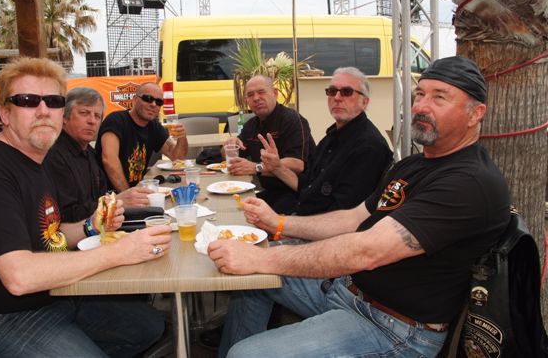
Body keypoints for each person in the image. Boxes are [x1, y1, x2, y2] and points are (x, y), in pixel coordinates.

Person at [208, 56, 511, 358]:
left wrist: (263, 258)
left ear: (475, 114)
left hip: (392, 328)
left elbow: (367, 250)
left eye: (439, 97)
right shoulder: (412, 165)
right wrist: (279, 224)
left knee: (245, 354)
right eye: (419, 94)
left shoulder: (469, 182)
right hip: (346, 290)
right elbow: (353, 218)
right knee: (253, 281)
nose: (421, 106)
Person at [0, 57, 171, 357]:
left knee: (149, 327)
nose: (43, 110)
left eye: (53, 101)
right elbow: (19, 276)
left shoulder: (37, 162)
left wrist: (91, 226)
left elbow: (51, 234)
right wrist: (118, 252)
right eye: (27, 101)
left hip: (54, 297)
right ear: (5, 113)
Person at [258, 67, 393, 215]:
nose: (337, 97)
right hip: (301, 211)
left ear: (364, 102)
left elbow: (343, 215)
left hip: (323, 225)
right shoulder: (331, 137)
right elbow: (307, 186)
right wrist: (277, 167)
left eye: (347, 92)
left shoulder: (369, 147)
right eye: (332, 91)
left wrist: (280, 223)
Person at [44, 87, 155, 222]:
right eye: (84, 113)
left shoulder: (89, 153)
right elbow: (66, 215)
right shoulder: (53, 155)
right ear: (64, 117)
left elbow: (99, 197)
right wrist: (114, 201)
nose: (92, 121)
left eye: (97, 116)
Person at [225, 75, 315, 213]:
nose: (256, 98)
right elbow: (233, 158)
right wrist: (229, 147)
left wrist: (256, 167)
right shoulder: (251, 125)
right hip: (272, 191)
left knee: (252, 216)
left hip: (300, 192)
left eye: (261, 92)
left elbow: (297, 164)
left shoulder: (292, 120)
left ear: (275, 93)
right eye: (250, 95)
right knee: (233, 208)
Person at [95, 82, 188, 192]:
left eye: (159, 102)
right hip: (108, 195)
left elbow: (177, 158)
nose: (153, 104)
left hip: (135, 192)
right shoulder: (116, 121)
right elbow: (109, 160)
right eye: (148, 98)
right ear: (134, 100)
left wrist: (182, 137)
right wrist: (128, 194)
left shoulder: (153, 126)